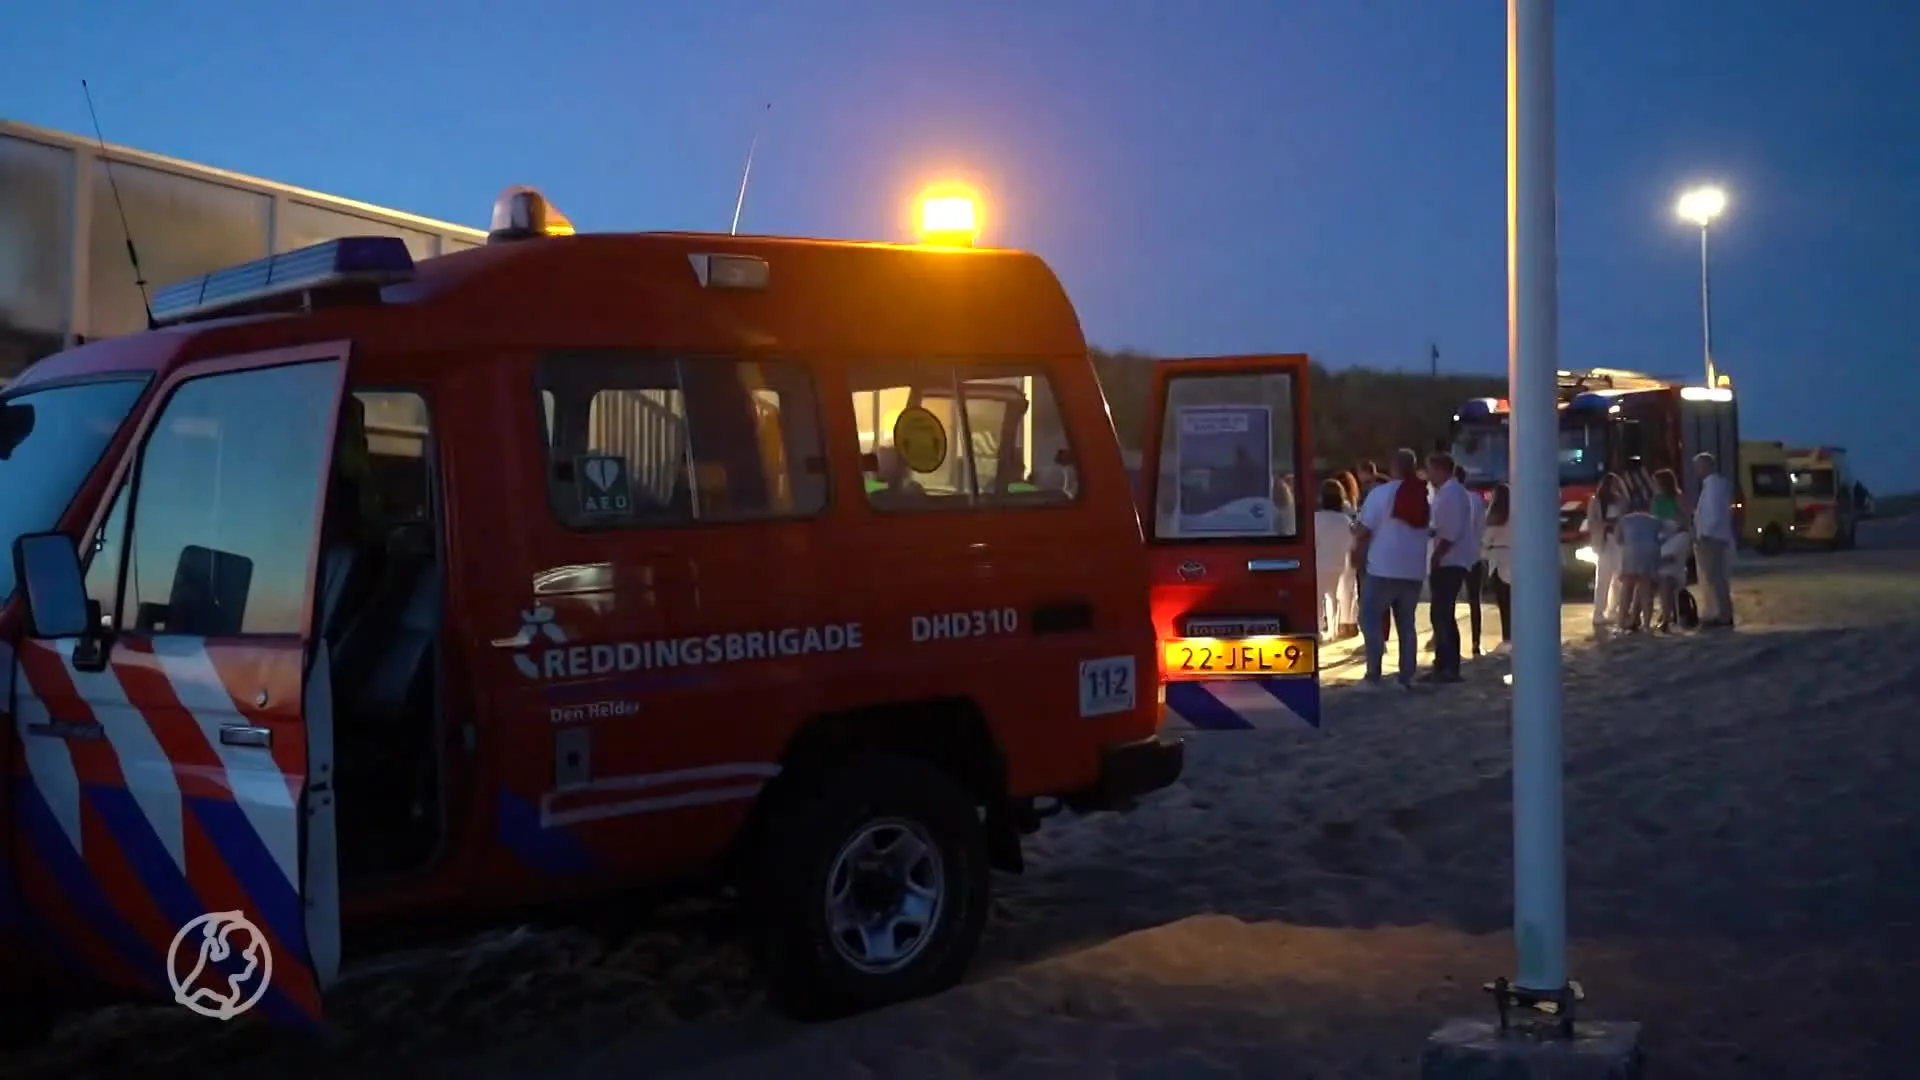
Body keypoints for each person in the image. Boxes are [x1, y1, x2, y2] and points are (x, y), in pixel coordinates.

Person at [1354, 448, 1430, 689]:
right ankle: (1406, 676)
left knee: (1369, 617)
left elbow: (1364, 530)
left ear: (1394, 467)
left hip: (1383, 568)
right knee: (1406, 623)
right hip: (1414, 569)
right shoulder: (1421, 494)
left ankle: (1373, 674)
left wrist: (1353, 534)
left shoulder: (1380, 494)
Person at [1424, 452, 1478, 682]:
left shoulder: (1452, 494)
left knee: (1444, 613)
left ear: (1441, 470)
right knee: (1439, 613)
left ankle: (1450, 666)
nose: (1428, 475)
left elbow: (1451, 531)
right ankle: (1442, 663)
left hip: (1450, 561)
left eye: (1430, 470)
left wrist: (1437, 555)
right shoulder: (1444, 493)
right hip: (1447, 559)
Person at [1691, 451, 1737, 627]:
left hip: (1711, 537)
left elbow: (1714, 513)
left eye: (1697, 466)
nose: (1695, 470)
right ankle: (1718, 612)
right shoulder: (1714, 485)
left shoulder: (1713, 487)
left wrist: (1705, 532)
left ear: (1706, 466)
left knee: (1715, 577)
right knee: (1714, 577)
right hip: (1714, 536)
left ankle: (1722, 614)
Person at [1313, 480, 1357, 640]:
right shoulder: (1345, 520)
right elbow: (1352, 543)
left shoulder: (1315, 518)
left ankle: (1318, 629)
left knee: (1317, 598)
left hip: (1318, 563)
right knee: (1333, 596)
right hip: (1339, 564)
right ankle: (1333, 630)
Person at [1585, 472, 1627, 630]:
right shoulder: (1596, 501)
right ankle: (1599, 612)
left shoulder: (1622, 501)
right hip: (1603, 541)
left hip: (1618, 541)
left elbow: (1624, 519)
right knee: (1603, 578)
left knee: (1620, 577)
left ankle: (1613, 610)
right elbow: (1592, 522)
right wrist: (1605, 524)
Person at [1649, 468, 1689, 631]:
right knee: (1663, 578)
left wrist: (1671, 524)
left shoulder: (1678, 497)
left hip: (1676, 540)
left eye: (1656, 482)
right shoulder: (1655, 500)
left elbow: (1685, 519)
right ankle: (1667, 614)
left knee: (1666, 576)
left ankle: (1667, 617)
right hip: (1661, 541)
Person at [1455, 464, 1489, 657]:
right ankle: (1476, 641)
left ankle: (1447, 641)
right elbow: (1481, 527)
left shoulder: (1449, 497)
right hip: (1474, 554)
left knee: (1448, 600)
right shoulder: (1476, 499)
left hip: (1455, 556)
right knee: (1474, 600)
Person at [1614, 506, 1663, 632]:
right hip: (1649, 554)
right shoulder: (1655, 520)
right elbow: (1661, 537)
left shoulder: (1624, 520)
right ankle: (1646, 624)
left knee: (1626, 589)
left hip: (1631, 553)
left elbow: (1618, 539)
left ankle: (1620, 623)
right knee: (1646, 591)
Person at [1481, 482, 1513, 651]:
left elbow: (1486, 540)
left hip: (1497, 559)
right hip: (1514, 558)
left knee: (1503, 603)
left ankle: (1507, 637)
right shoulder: (1516, 515)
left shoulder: (1494, 516)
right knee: (1514, 602)